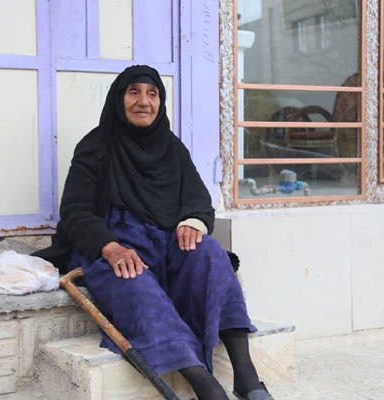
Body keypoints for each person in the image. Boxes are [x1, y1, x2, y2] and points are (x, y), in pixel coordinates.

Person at [34, 65, 273, 400]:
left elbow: (197, 200)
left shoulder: (172, 149)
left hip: (164, 241)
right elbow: (75, 211)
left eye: (152, 93)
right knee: (132, 279)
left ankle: (246, 377)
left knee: (210, 253)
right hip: (114, 244)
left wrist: (192, 222)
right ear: (119, 99)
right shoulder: (95, 146)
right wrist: (110, 247)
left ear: (161, 102)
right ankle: (204, 384)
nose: (143, 101)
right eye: (133, 92)